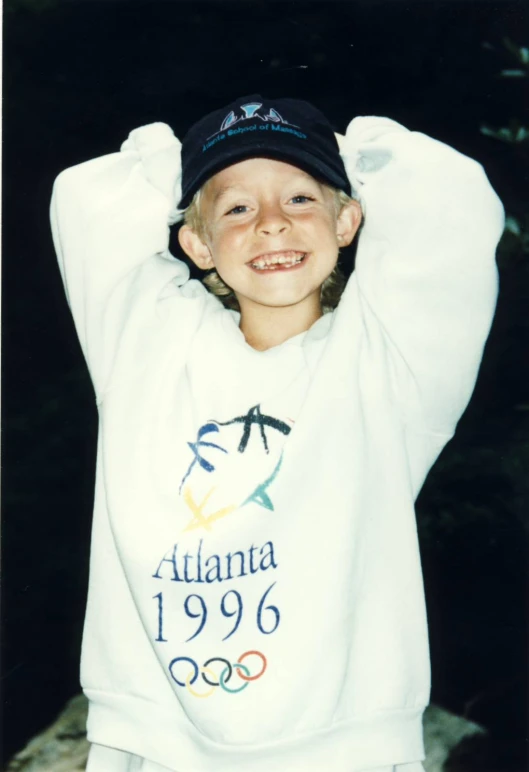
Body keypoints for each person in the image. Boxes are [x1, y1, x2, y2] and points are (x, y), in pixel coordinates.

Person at [50, 94, 504, 772]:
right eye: (236, 209)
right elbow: (84, 200)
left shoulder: (388, 367)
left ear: (347, 221)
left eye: (298, 199)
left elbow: (451, 196)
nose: (270, 225)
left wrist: (332, 147)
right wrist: (201, 161)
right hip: (158, 740)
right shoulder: (146, 348)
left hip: (344, 744)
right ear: (196, 243)